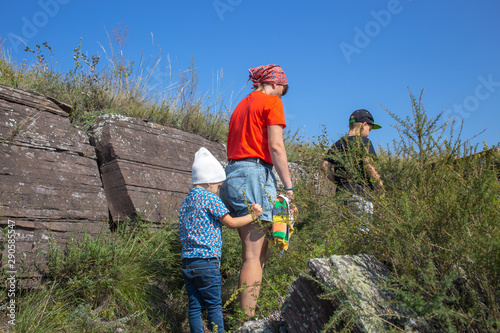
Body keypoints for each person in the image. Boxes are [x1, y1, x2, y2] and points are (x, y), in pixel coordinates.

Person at [219, 64, 294, 317]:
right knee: (253, 256)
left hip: (231, 174)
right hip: (255, 174)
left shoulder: (241, 105)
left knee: (261, 253)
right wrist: (288, 186)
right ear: (274, 84)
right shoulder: (271, 102)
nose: (280, 97)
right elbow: (276, 146)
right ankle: (245, 322)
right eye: (281, 91)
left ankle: (247, 313)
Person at [180, 147, 263, 333]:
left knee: (194, 306)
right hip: (207, 262)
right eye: (218, 186)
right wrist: (253, 215)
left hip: (188, 262)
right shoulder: (210, 199)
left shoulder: (186, 201)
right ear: (209, 182)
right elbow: (231, 223)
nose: (218, 190)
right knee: (214, 306)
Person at [321, 109, 384, 214]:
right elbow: (368, 165)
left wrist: (339, 183)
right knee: (361, 230)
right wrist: (380, 188)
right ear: (364, 125)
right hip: (360, 195)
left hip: (341, 195)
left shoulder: (338, 143)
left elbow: (324, 166)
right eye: (370, 129)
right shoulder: (364, 142)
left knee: (343, 228)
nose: (369, 133)